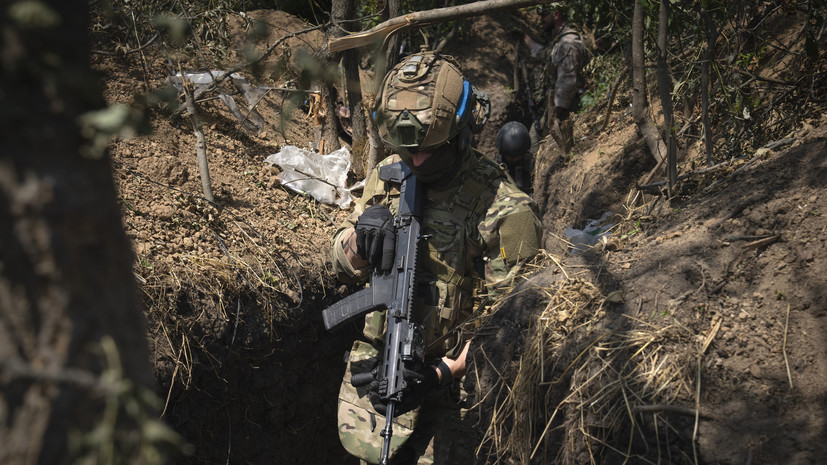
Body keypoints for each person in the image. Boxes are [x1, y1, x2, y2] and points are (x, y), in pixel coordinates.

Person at [329, 49, 542, 464]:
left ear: (464, 130)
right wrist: (358, 239)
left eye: (432, 149)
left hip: (455, 402)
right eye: (409, 151)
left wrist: (440, 373)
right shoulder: (389, 175)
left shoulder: (508, 212)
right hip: (375, 380)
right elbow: (338, 266)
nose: (418, 160)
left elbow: (514, 331)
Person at [523, 8, 587, 154]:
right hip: (555, 107)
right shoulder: (559, 41)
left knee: (535, 143)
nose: (541, 19)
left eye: (544, 15)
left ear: (556, 14)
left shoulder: (567, 43)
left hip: (565, 109)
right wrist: (526, 40)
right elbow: (545, 55)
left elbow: (567, 84)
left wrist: (553, 117)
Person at [495, 121, 533, 193]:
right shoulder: (498, 166)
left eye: (517, 156)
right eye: (510, 157)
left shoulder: (530, 164)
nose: (514, 160)